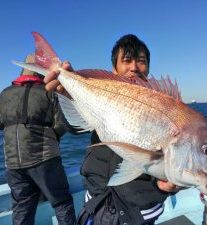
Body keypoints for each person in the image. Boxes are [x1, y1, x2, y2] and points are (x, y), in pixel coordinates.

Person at [44, 35, 181, 225]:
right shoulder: (102, 95)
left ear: (148, 68)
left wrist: (164, 187)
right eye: (127, 61)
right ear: (114, 69)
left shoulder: (161, 105)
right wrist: (68, 93)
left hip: (139, 210)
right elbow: (74, 128)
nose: (134, 67)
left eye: (141, 61)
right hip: (96, 200)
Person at [0, 54, 76, 225]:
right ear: (41, 71)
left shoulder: (4, 94)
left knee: (22, 209)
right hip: (46, 161)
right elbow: (63, 124)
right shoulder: (49, 93)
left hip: (14, 164)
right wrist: (53, 137)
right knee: (62, 203)